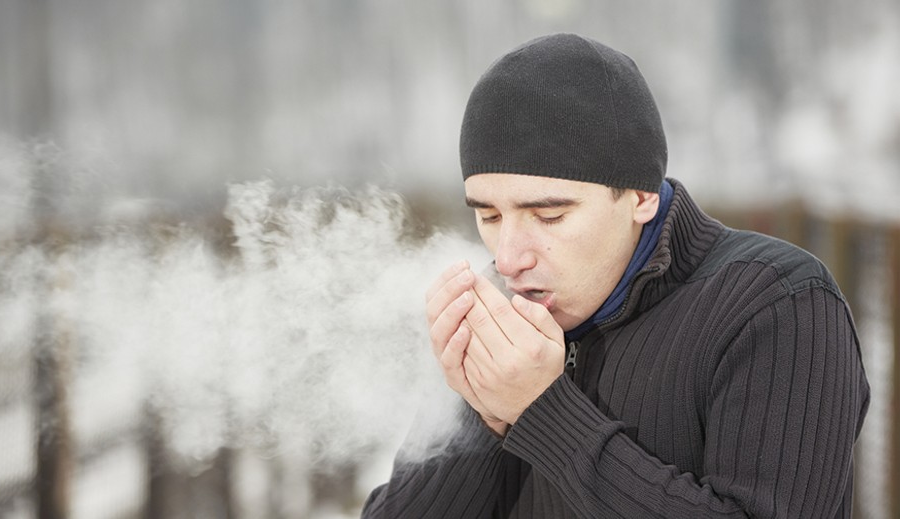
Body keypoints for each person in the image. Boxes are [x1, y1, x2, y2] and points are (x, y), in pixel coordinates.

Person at [362, 33, 870, 518]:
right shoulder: (498, 320)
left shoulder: (777, 305)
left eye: (549, 216)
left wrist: (543, 412)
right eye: (490, 216)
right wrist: (484, 412)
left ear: (641, 195)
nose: (509, 258)